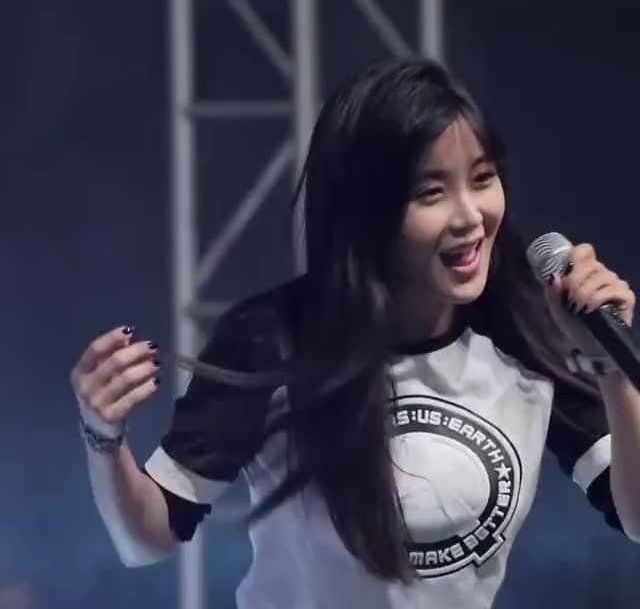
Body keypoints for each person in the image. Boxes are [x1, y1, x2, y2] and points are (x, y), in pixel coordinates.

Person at [70, 58, 640, 608]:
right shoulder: (273, 338)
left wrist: (609, 365)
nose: (471, 215)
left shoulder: (527, 332)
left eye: (482, 179)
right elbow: (147, 538)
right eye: (432, 192)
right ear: (368, 210)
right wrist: (103, 436)